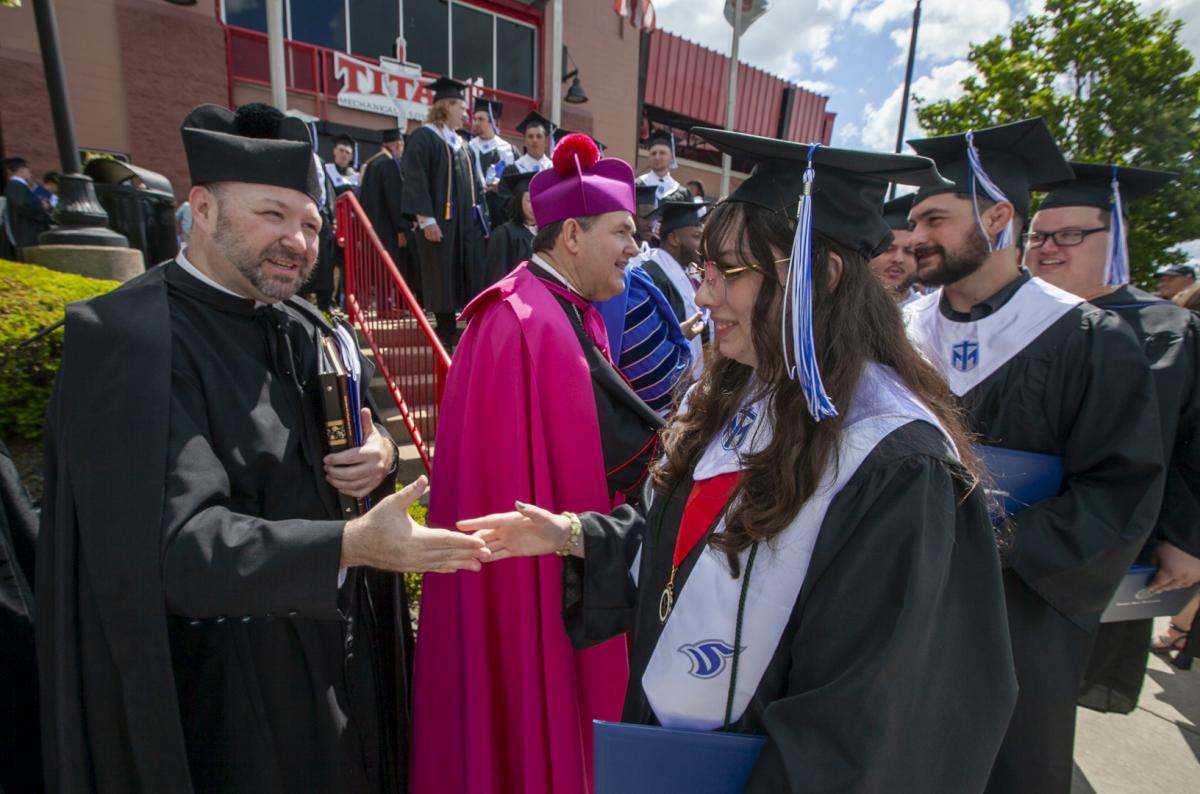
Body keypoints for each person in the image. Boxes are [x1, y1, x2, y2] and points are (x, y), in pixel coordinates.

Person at [462, 128, 1018, 792]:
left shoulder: (896, 462)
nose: (703, 297)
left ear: (821, 276)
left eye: (730, 273)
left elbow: (862, 722)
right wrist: (575, 534)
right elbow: (685, 549)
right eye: (704, 272)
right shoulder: (748, 397)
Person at [36, 102, 490, 793]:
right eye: (272, 215)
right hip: (224, 697)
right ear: (203, 209)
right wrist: (350, 546)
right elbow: (172, 551)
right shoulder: (130, 340)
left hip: (340, 674)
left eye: (310, 224)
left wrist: (378, 452)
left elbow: (352, 435)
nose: (299, 242)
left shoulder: (307, 325)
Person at [903, 118, 1165, 794]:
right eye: (913, 221)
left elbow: (1119, 490)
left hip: (1017, 608)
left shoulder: (1087, 339)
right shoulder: (900, 334)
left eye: (935, 217)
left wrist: (994, 541)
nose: (914, 237)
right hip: (901, 591)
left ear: (997, 217)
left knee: (1006, 764)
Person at [410, 133, 664, 794]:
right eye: (623, 231)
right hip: (537, 594)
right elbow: (508, 491)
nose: (636, 248)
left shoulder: (570, 312)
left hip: (573, 570)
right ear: (573, 236)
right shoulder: (516, 320)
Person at [1025, 162, 1200, 712]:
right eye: (1036, 236)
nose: (1046, 248)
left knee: (1068, 678)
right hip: (1023, 537)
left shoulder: (1170, 329)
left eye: (1070, 235)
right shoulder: (1018, 320)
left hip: (1115, 541)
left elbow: (1193, 442)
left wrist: (1187, 536)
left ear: (1116, 236)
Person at [401, 76, 489, 350]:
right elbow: (415, 179)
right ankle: (445, 331)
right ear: (445, 106)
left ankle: (463, 332)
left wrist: (481, 222)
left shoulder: (461, 145)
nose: (466, 114)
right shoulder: (424, 137)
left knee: (464, 271)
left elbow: (476, 187)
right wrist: (427, 219)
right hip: (439, 224)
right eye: (461, 108)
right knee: (441, 272)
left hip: (464, 225)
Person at [637, 199, 710, 369]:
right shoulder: (651, 277)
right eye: (697, 236)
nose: (702, 245)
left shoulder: (686, 274)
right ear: (674, 239)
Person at [358, 127, 418, 289]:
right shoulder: (389, 164)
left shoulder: (373, 163)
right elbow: (394, 199)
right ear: (398, 144)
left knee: (378, 265)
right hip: (388, 227)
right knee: (391, 264)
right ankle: (388, 305)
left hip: (374, 225)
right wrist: (402, 227)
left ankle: (384, 304)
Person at [484, 169, 536, 288]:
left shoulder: (546, 233)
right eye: (528, 200)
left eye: (537, 199)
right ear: (518, 202)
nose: (533, 205)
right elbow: (496, 278)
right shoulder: (504, 234)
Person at [869, 192, 921, 305]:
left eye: (909, 251)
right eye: (888, 249)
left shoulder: (926, 317)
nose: (898, 259)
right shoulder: (843, 308)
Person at [2, 157, 53, 260]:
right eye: (28, 171)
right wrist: (41, 206)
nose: (30, 174)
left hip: (25, 233)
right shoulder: (16, 185)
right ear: (21, 170)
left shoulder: (19, 186)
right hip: (24, 233)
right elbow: (23, 205)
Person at [637, 128, 689, 203]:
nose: (657, 157)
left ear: (671, 157)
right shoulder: (637, 185)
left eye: (662, 153)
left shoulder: (681, 193)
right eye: (653, 153)